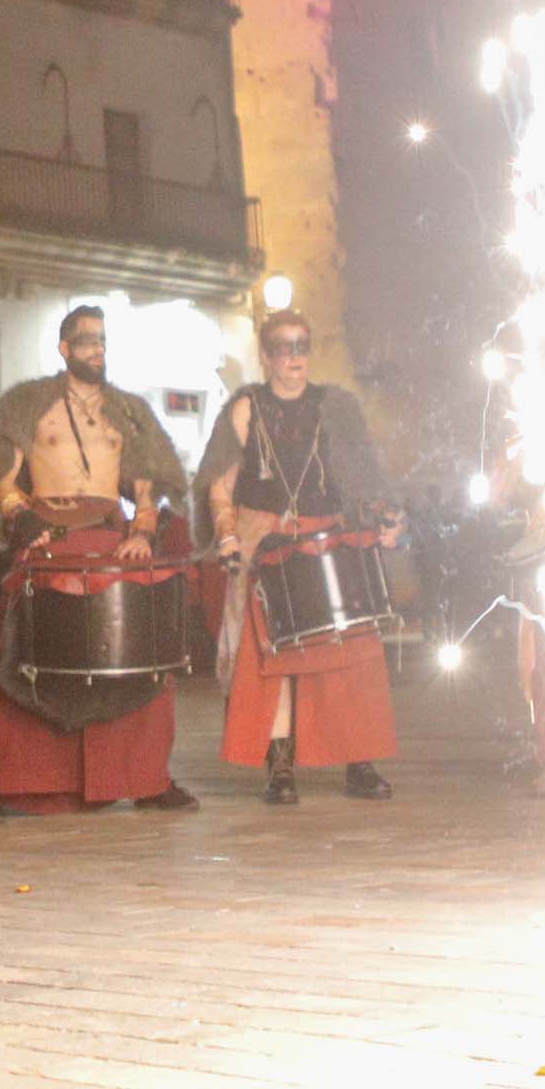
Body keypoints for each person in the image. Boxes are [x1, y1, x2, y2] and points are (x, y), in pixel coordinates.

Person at [0, 305, 196, 819]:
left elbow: (147, 483)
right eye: (86, 340)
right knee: (9, 647)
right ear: (64, 348)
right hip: (48, 532)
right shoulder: (27, 405)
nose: (98, 349)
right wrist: (23, 519)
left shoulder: (129, 411)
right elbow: (3, 480)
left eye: (102, 340)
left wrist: (141, 531)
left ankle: (147, 778)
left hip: (112, 537)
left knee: (146, 644)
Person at [197, 309, 404, 804]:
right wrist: (227, 537)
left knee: (351, 653)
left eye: (303, 346)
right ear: (267, 356)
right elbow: (219, 487)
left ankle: (360, 762)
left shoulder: (334, 406)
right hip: (266, 540)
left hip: (326, 537)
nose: (295, 357)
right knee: (275, 661)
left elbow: (362, 474)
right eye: (285, 348)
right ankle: (281, 767)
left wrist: (385, 514)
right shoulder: (245, 408)